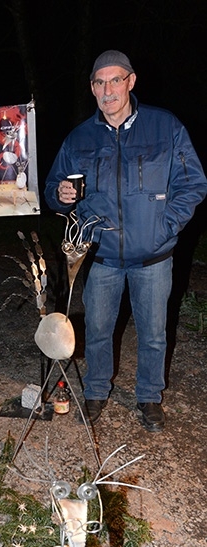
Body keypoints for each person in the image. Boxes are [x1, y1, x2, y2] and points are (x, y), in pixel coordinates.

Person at [44, 50, 207, 432]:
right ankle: (96, 390)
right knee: (98, 330)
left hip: (153, 257)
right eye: (100, 83)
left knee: (153, 334)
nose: (108, 90)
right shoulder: (79, 138)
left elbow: (193, 183)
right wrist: (60, 195)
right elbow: (53, 188)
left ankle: (149, 396)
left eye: (115, 80)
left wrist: (165, 227)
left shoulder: (165, 127)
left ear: (130, 82)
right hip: (101, 256)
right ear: (92, 88)